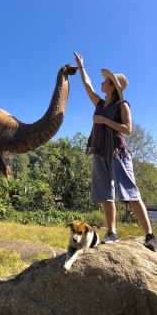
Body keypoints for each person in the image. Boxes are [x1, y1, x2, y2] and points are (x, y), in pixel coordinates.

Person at [74, 52, 157, 251]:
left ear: (112, 86)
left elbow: (127, 129)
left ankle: (150, 236)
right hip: (101, 152)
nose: (101, 83)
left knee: (131, 194)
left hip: (118, 154)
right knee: (106, 195)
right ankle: (112, 232)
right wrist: (81, 66)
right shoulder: (100, 104)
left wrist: (104, 121)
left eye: (105, 81)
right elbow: (87, 85)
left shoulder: (122, 105)